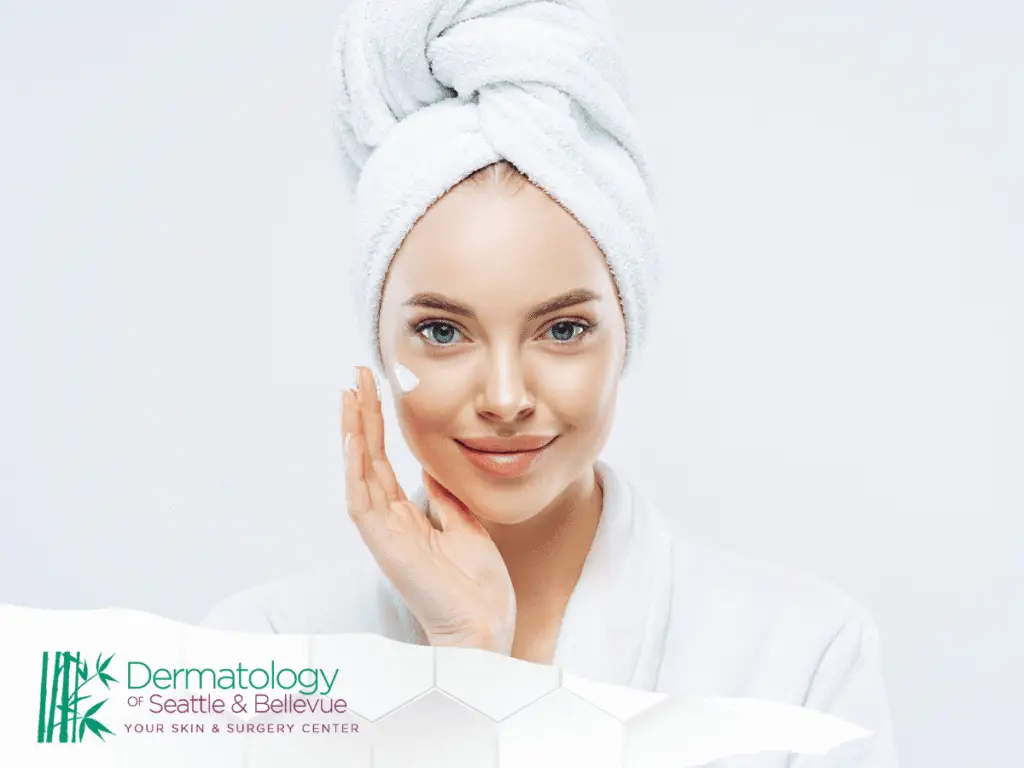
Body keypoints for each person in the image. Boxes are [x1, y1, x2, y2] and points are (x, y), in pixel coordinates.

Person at [204, 1, 899, 764]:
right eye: (442, 332)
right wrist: (464, 666)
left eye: (562, 330)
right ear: (381, 340)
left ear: (626, 333)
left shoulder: (800, 660)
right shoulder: (262, 657)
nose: (505, 397)